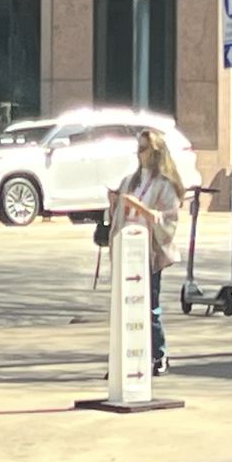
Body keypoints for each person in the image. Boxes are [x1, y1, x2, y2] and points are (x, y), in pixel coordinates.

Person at [97, 130, 184, 376]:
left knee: (149, 306)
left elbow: (168, 219)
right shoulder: (130, 181)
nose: (139, 153)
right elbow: (119, 215)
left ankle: (159, 354)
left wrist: (140, 207)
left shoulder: (163, 185)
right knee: (124, 307)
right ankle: (123, 359)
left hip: (148, 251)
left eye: (144, 148)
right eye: (138, 148)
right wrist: (114, 203)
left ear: (155, 152)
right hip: (127, 250)